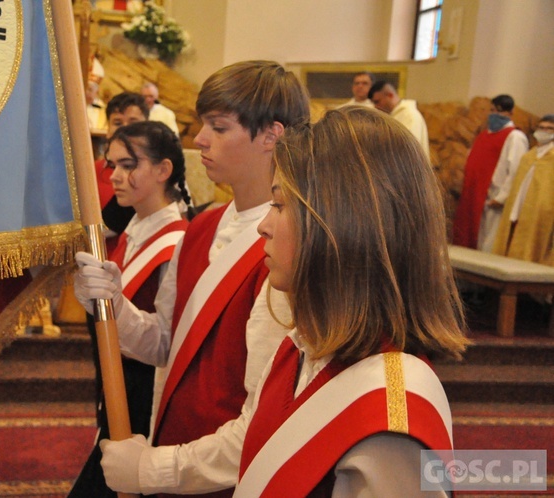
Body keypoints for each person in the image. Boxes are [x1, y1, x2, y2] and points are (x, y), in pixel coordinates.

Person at [75, 60, 309, 497]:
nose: (199, 139)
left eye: (218, 128)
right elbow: (164, 343)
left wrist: (159, 469)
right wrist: (114, 304)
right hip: (171, 447)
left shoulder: (289, 243)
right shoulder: (200, 227)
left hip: (225, 474)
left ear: (271, 136)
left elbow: (267, 411)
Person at [237, 107, 469, 496]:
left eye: (279, 205)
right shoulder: (300, 347)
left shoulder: (391, 419)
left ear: (342, 225)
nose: (264, 225)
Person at [69, 121, 193, 497]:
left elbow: (166, 343)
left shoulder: (178, 242)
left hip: (144, 402)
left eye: (128, 165)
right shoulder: (134, 228)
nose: (116, 177)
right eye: (112, 166)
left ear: (163, 170)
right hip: (117, 386)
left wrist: (113, 304)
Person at [453, 95, 529, 252]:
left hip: (495, 197)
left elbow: (516, 170)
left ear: (510, 113)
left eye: (500, 111)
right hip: (475, 194)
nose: (495, 115)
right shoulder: (484, 135)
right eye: (493, 110)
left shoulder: (515, 136)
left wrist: (502, 197)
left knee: (488, 242)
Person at [492, 114, 554, 266]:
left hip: (541, 212)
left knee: (533, 246)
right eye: (541, 127)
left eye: (549, 129)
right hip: (519, 207)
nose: (544, 131)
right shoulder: (528, 156)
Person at [97, 92, 151, 254]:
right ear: (108, 129)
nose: (126, 129)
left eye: (134, 122)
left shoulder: (156, 175)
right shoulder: (88, 173)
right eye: (118, 123)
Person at [369, 80, 430, 156]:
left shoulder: (410, 115)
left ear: (390, 95)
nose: (375, 107)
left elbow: (408, 148)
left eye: (377, 102)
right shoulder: (392, 116)